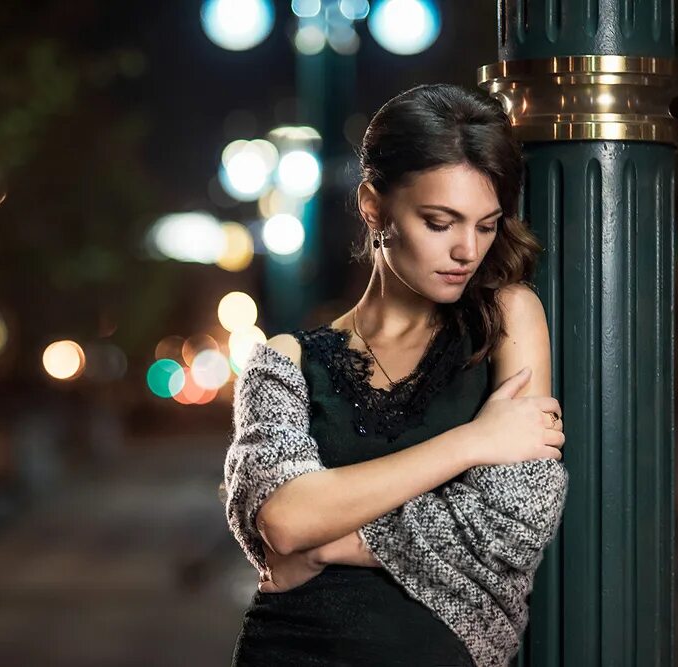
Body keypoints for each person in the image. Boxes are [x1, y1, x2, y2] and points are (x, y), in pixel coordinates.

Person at [228, 83, 566, 667]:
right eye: (440, 222)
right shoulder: (286, 360)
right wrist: (474, 441)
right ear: (373, 207)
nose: (467, 249)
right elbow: (285, 521)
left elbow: (515, 520)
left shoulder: (507, 317)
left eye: (486, 226)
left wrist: (330, 540)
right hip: (289, 650)